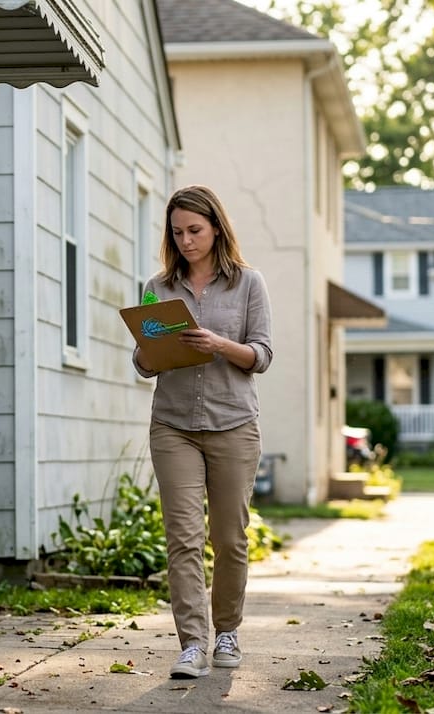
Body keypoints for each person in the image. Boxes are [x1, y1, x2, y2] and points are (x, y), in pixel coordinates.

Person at [132, 184, 273, 678]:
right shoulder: (157, 286)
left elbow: (261, 355)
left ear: (216, 228)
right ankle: (193, 643)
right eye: (177, 233)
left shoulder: (249, 283)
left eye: (195, 230)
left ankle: (227, 631)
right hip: (173, 426)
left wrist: (218, 345)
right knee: (183, 538)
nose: (186, 240)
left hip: (234, 423)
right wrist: (151, 349)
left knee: (229, 537)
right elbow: (143, 364)